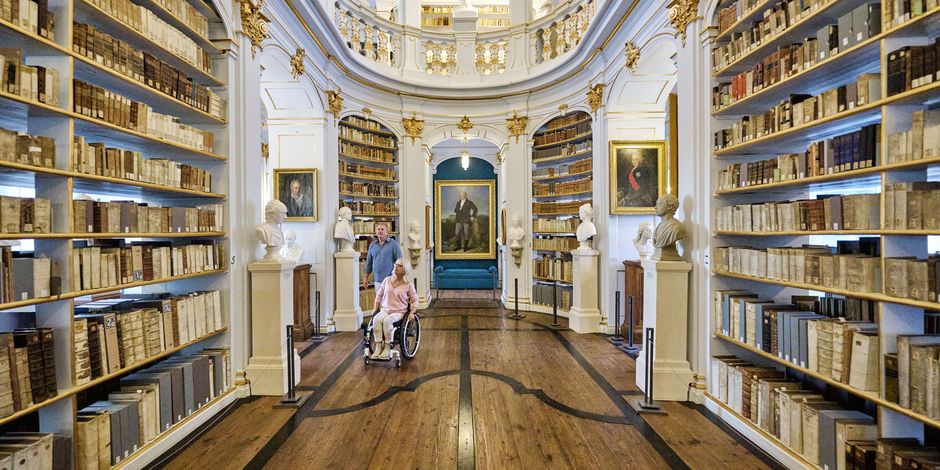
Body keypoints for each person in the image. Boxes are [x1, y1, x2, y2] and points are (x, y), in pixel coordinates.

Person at [369, 258, 418, 360]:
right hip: (385, 309)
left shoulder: (408, 285)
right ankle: (378, 347)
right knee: (376, 319)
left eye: (399, 266)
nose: (396, 267)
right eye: (395, 264)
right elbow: (379, 295)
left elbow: (415, 301)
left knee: (388, 320)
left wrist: (412, 312)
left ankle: (387, 347)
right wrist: (375, 309)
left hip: (399, 311)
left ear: (404, 270)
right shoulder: (387, 280)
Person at [363, 222, 403, 288]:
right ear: (376, 232)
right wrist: (365, 278)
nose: (380, 231)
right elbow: (369, 263)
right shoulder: (372, 245)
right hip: (377, 281)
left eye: (382, 229)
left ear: (387, 232)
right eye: (378, 229)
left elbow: (400, 262)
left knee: (390, 298)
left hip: (391, 281)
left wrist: (399, 280)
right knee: (378, 298)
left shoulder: (394, 245)